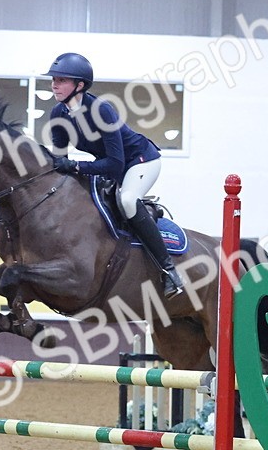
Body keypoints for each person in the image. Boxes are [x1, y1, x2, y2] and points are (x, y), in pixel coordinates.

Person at [44, 52, 184, 298]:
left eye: (62, 80)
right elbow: (59, 160)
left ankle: (169, 270)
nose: (54, 84)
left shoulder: (101, 110)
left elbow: (116, 164)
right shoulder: (59, 114)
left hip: (140, 161)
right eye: (54, 79)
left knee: (127, 200)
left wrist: (76, 166)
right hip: (106, 164)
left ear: (79, 85)